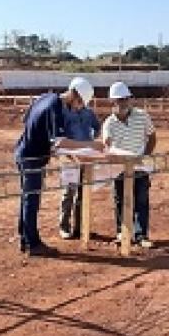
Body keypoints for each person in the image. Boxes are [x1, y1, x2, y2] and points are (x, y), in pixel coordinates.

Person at [14, 78, 102, 255]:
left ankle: (26, 239)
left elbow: (27, 121)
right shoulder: (56, 108)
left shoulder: (45, 97)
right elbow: (60, 142)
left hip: (24, 151)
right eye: (79, 103)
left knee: (27, 198)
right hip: (32, 157)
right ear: (74, 95)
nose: (78, 107)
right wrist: (91, 145)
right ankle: (33, 244)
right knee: (31, 200)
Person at [102, 82, 157, 248]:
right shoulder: (109, 123)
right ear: (113, 102)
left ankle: (141, 235)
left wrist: (145, 155)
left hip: (140, 166)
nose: (124, 103)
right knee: (120, 199)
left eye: (126, 99)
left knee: (141, 199)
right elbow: (106, 144)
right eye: (120, 100)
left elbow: (152, 136)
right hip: (119, 168)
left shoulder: (142, 116)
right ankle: (122, 233)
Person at [58, 100, 101, 239]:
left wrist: (91, 139)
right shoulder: (64, 113)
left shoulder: (89, 113)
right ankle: (64, 226)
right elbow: (59, 134)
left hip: (86, 158)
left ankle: (80, 227)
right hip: (69, 158)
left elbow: (97, 127)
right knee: (68, 192)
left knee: (84, 193)